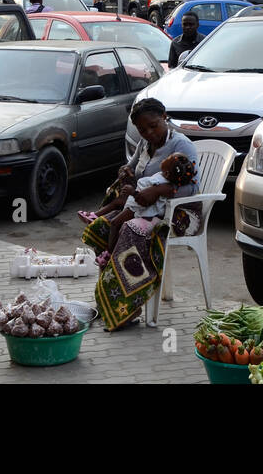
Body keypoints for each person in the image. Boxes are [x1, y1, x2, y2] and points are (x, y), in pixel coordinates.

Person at [83, 98, 201, 330]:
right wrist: (126, 173)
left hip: (178, 213)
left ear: (164, 117)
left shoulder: (182, 145)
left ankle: (127, 306)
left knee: (130, 229)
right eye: (141, 129)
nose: (149, 133)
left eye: (153, 125)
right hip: (145, 205)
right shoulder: (145, 145)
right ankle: (109, 300)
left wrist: (157, 191)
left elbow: (192, 186)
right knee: (102, 226)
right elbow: (135, 172)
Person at [94, 152, 197, 256]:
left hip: (138, 209)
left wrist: (133, 192)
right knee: (116, 203)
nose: (163, 159)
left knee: (115, 223)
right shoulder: (163, 179)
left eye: (166, 160)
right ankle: (95, 216)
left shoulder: (159, 184)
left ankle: (109, 253)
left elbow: (145, 202)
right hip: (136, 204)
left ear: (166, 173)